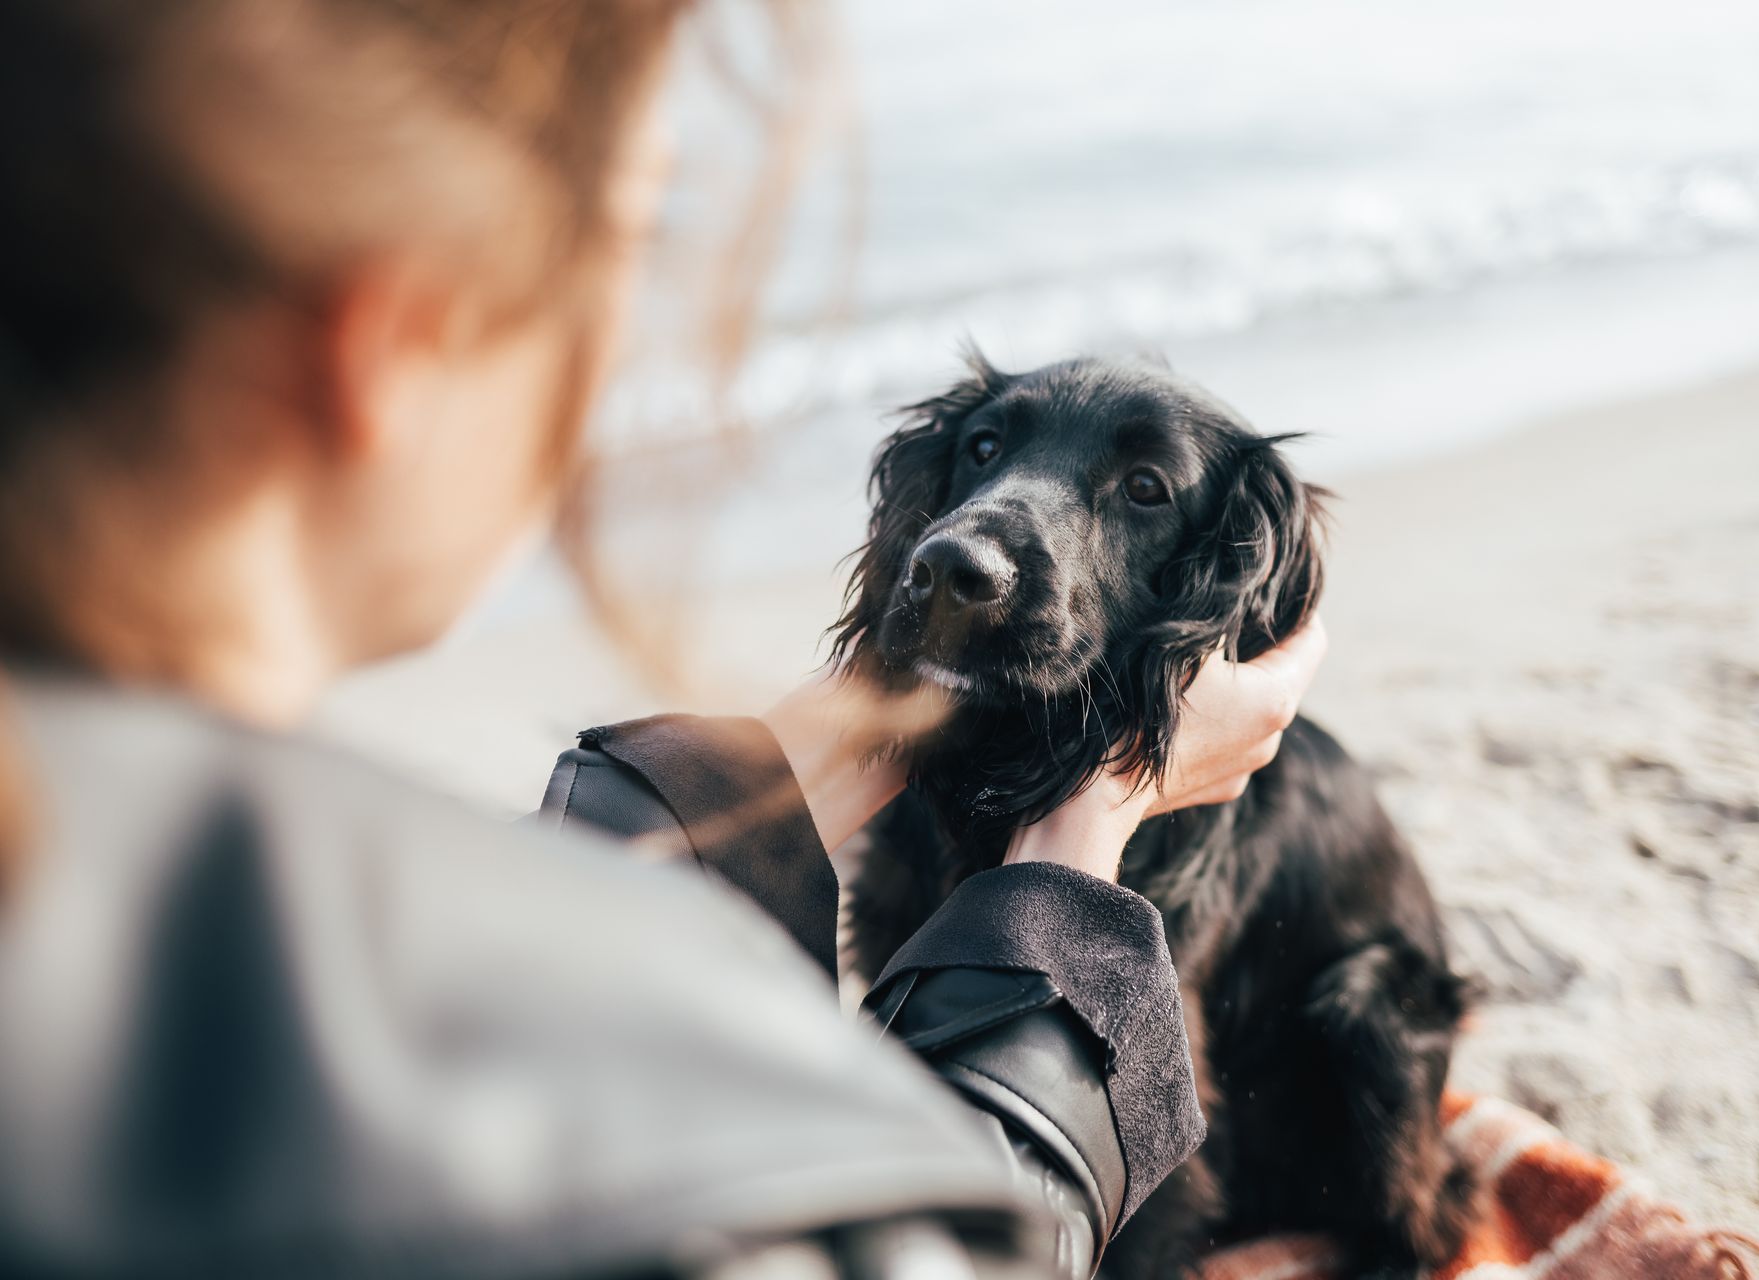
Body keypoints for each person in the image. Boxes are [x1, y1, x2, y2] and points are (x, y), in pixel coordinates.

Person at [0, 2, 1327, 1276]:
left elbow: (507, 964)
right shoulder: (713, 1183)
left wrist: (822, 743)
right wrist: (1084, 851)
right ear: (392, 339)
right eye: (621, 245)